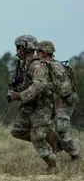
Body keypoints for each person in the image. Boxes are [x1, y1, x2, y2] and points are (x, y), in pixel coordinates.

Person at [8, 35, 57, 173]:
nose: (17, 51)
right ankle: (48, 137)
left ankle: (52, 165)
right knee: (17, 131)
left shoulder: (36, 65)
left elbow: (39, 85)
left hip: (42, 106)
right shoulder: (23, 64)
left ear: (27, 48)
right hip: (30, 106)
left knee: (36, 138)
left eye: (19, 48)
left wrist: (20, 96)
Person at [37, 40, 79, 159]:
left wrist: (48, 88)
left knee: (61, 129)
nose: (36, 54)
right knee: (42, 126)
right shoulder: (43, 66)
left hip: (66, 101)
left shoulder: (55, 67)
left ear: (45, 52)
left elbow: (66, 89)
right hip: (55, 101)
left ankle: (74, 155)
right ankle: (56, 150)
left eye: (39, 51)